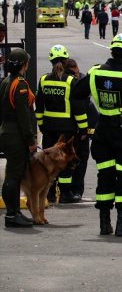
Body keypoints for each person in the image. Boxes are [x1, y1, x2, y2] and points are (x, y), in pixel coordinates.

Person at [72, 34, 122, 236]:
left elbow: (76, 93)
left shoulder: (95, 72)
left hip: (103, 129)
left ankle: (104, 223)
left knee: (105, 174)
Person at [36, 45, 88, 204]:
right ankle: (65, 193)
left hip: (49, 128)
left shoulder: (43, 80)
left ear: (51, 60)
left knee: (49, 160)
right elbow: (78, 107)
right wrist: (83, 127)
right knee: (66, 160)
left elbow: (39, 106)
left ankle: (50, 192)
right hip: (67, 129)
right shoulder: (71, 81)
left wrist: (41, 125)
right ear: (66, 61)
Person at [0, 48, 38, 227]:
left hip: (7, 131)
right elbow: (23, 115)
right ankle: (12, 214)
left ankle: (14, 212)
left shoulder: (6, 81)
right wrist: (31, 140)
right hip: (16, 134)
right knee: (14, 176)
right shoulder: (20, 84)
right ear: (24, 64)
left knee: (12, 174)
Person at [65, 58, 98, 200]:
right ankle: (67, 191)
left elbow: (88, 108)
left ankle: (77, 190)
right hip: (72, 129)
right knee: (69, 161)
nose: (75, 76)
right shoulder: (69, 83)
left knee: (81, 161)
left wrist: (86, 130)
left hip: (83, 129)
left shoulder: (82, 80)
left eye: (76, 73)